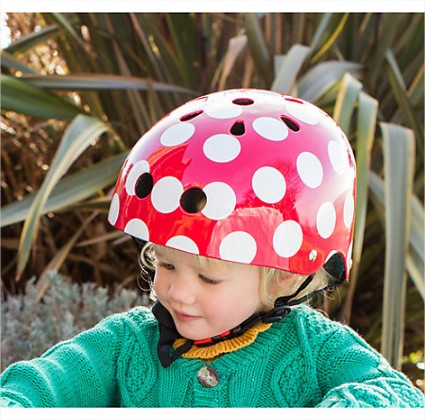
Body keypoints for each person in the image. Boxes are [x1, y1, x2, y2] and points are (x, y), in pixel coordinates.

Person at [1, 89, 424, 408]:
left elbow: (396, 395)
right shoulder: (126, 344)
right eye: (167, 264)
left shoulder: (316, 349)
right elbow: (37, 386)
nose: (177, 292)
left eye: (208, 277)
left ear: (283, 276)